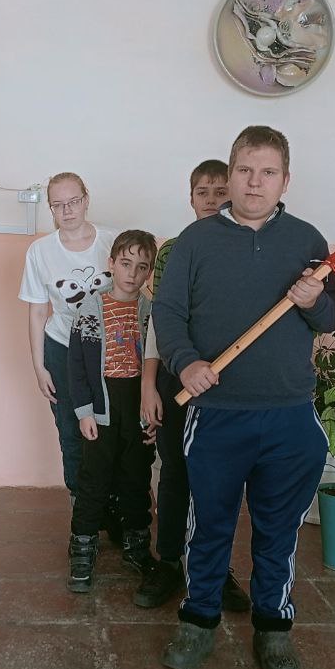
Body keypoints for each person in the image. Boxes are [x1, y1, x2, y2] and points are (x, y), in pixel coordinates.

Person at [153, 126, 335, 669]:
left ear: (286, 180)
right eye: (244, 170)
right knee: (209, 525)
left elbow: (334, 317)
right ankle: (199, 619)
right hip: (217, 414)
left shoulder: (308, 240)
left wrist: (313, 302)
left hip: (289, 414)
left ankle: (273, 628)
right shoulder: (195, 242)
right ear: (230, 175)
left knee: (279, 530)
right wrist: (186, 362)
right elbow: (168, 313)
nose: (254, 182)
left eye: (267, 172)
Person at [136, 159, 250, 613]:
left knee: (219, 479)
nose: (212, 200)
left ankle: (214, 570)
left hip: (226, 385)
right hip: (176, 378)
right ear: (190, 199)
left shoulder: (248, 247)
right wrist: (149, 385)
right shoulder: (173, 251)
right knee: (174, 472)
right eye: (203, 192)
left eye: (221, 192)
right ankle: (167, 562)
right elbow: (160, 321)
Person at [65, 230, 157, 593]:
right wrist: (85, 411)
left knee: (136, 477)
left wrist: (152, 414)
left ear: (149, 272)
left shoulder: (151, 312)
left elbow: (158, 366)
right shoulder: (90, 308)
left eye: (141, 267)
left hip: (137, 404)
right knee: (94, 479)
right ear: (111, 263)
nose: (132, 273)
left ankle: (136, 546)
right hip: (101, 407)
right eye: (125, 263)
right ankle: (82, 546)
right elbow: (76, 366)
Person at [18, 172, 116, 500]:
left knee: (111, 424)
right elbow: (37, 311)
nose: (67, 210)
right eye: (58, 205)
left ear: (86, 199)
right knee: (71, 428)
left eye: (73, 201)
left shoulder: (112, 241)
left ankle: (113, 501)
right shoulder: (40, 251)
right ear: (50, 208)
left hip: (107, 349)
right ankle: (81, 503)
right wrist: (39, 367)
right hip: (62, 347)